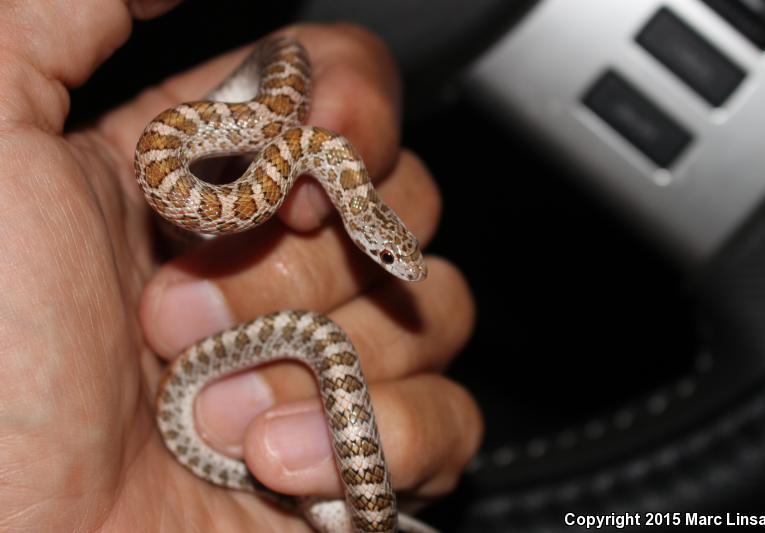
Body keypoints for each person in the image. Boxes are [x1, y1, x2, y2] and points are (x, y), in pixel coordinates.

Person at [0, 0, 483, 530]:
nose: (396, 265)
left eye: (393, 254)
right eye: (390, 254)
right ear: (368, 228)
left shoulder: (320, 156)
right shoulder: (295, 155)